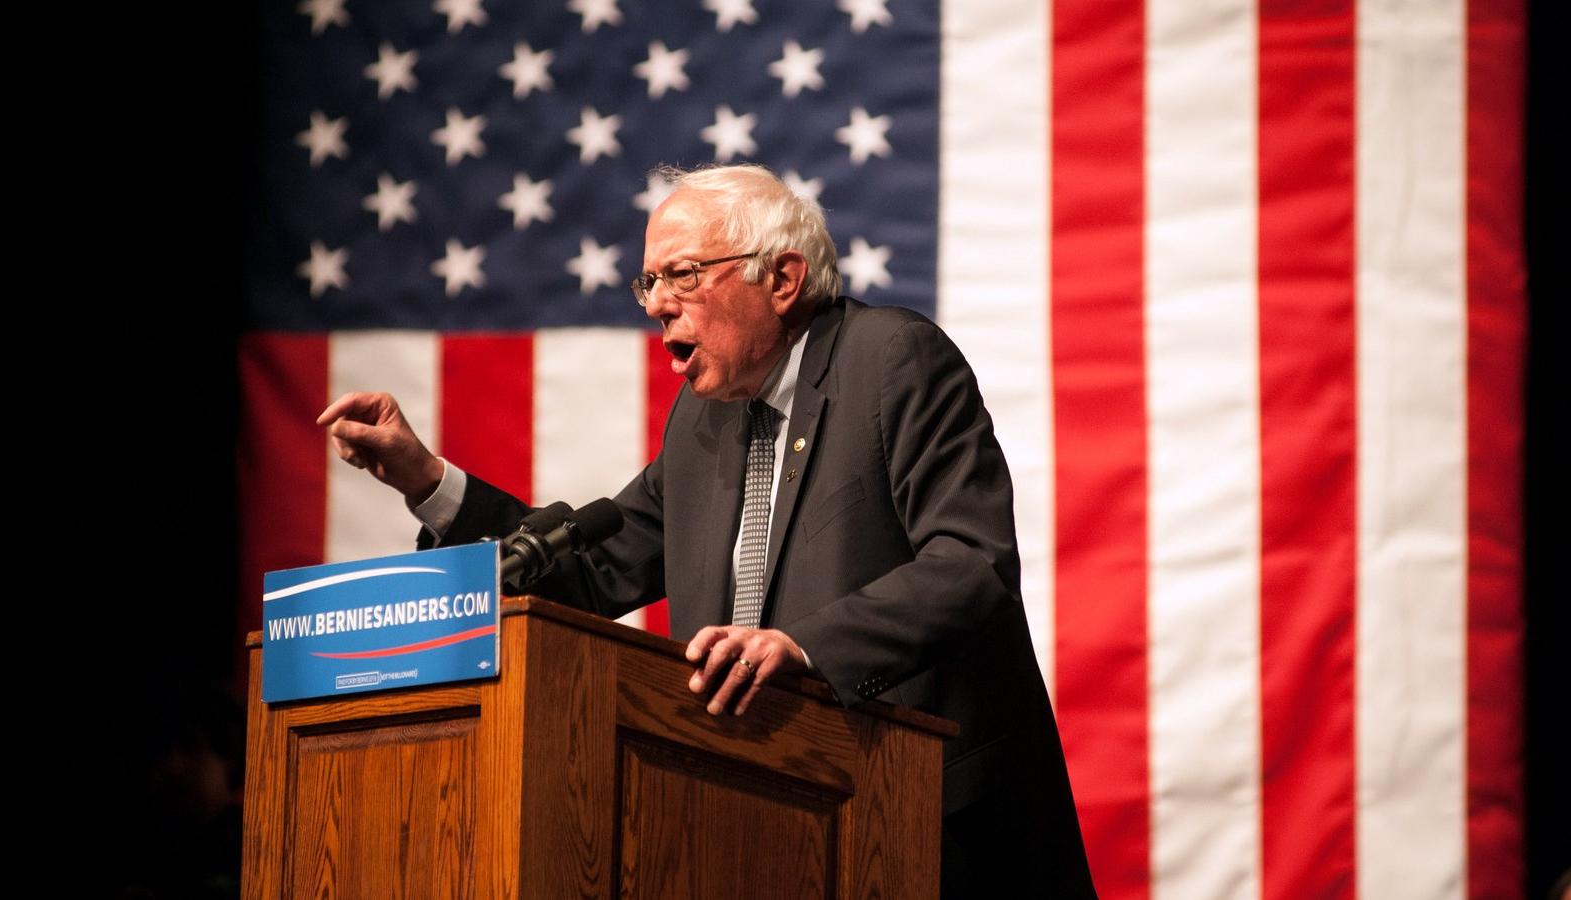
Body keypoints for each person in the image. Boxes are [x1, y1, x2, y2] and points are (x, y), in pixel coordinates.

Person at [318, 163, 1096, 897]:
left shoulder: (892, 359)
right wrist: (426, 480)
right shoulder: (701, 421)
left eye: (683, 274)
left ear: (783, 279)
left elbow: (971, 564)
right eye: (649, 281)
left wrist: (804, 647)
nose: (657, 303)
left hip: (929, 828)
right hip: (757, 828)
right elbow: (589, 580)